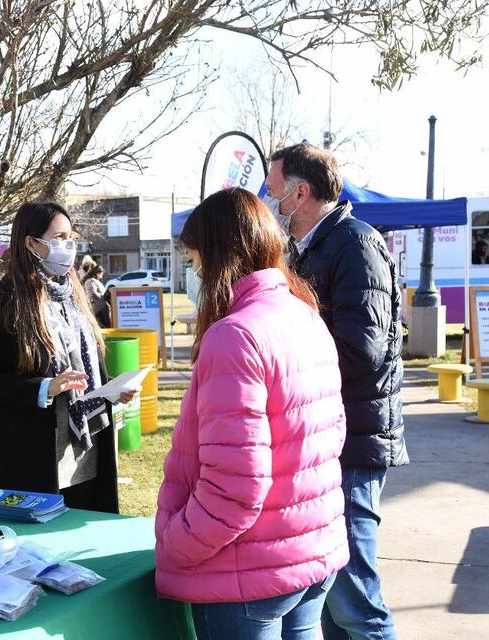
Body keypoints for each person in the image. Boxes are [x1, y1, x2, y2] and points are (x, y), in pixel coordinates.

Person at [155, 188, 349, 640]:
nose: (194, 270)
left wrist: (177, 543)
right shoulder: (303, 315)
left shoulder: (235, 336)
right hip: (307, 552)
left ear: (218, 255)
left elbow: (234, 488)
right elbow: (331, 435)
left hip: (247, 570)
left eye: (195, 258)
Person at [265, 143, 408, 640]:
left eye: (274, 191)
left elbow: (360, 352)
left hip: (352, 442)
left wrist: (288, 371)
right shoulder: (316, 248)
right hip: (328, 439)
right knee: (328, 602)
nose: (271, 202)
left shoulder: (354, 244)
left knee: (354, 604)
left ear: (300, 192)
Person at [0, 201, 135, 512]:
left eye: (69, 237)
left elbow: (82, 369)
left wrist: (111, 388)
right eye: (58, 238)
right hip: (33, 459)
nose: (67, 247)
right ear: (30, 243)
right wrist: (45, 388)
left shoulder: (75, 296)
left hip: (87, 451)